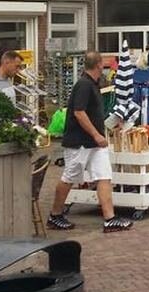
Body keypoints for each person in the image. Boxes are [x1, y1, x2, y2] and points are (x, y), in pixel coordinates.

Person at [47, 50, 133, 233]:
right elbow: (79, 112)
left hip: (94, 143)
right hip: (80, 142)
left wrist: (108, 126)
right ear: (99, 65)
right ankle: (55, 215)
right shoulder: (84, 85)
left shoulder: (92, 84)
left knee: (104, 175)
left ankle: (109, 218)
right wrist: (96, 135)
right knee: (70, 177)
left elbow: (91, 114)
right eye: (103, 64)